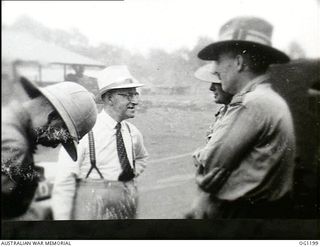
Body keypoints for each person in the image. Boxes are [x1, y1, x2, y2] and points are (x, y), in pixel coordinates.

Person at [192, 16, 296, 218]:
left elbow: (210, 164)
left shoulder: (253, 103)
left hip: (246, 217)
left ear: (239, 62)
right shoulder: (268, 99)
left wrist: (200, 172)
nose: (215, 70)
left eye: (219, 61)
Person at [52, 65, 148, 220]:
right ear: (109, 98)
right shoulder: (83, 132)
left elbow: (142, 157)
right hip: (91, 207)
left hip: (126, 203)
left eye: (136, 94)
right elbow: (64, 183)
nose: (135, 101)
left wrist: (129, 175)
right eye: (128, 96)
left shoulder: (132, 132)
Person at [1, 76, 98, 220]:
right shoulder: (14, 145)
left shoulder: (7, 118)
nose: (55, 144)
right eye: (63, 136)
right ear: (53, 117)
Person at [185, 63, 233, 218]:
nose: (211, 88)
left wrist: (200, 154)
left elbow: (210, 157)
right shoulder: (224, 111)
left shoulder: (236, 114)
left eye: (216, 83)